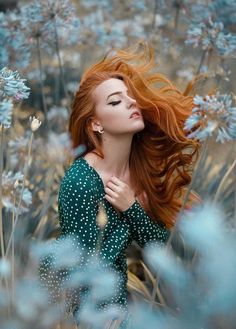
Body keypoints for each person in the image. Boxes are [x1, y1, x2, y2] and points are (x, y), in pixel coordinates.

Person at [40, 42, 201, 328]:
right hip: (67, 309)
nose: (130, 103)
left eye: (130, 97)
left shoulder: (137, 171)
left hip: (116, 303)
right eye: (115, 101)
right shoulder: (81, 182)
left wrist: (132, 208)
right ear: (96, 125)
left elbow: (161, 248)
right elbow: (83, 269)